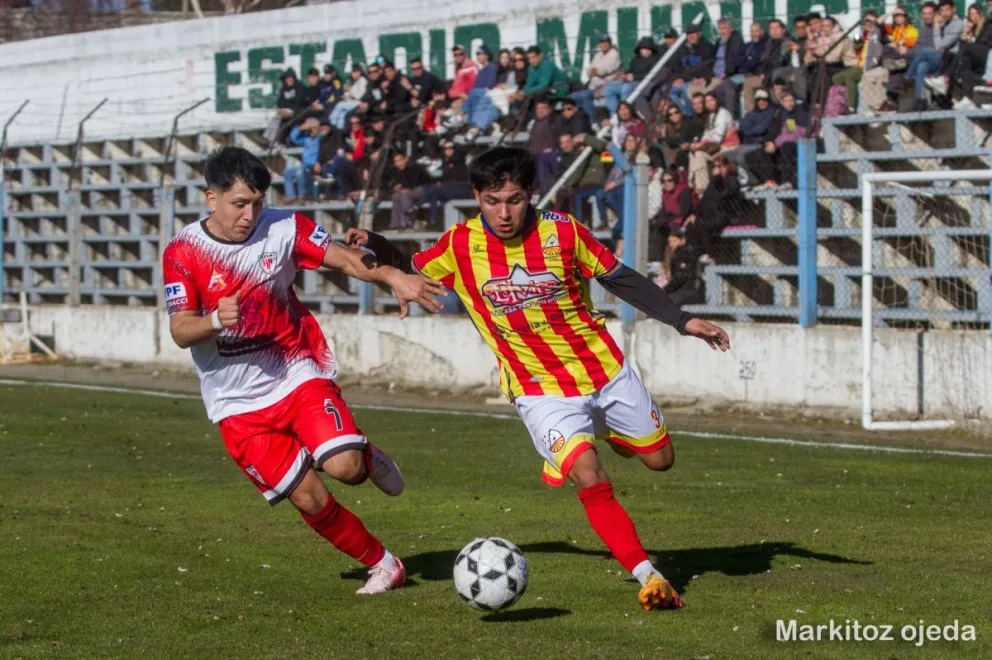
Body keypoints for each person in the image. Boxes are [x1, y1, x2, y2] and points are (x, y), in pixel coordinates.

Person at [345, 146, 730, 611]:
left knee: (661, 460)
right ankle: (646, 573)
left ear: (530, 192)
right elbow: (410, 268)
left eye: (513, 199)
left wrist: (681, 320)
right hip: (538, 389)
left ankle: (612, 431)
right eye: (491, 201)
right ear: (476, 197)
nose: (503, 213)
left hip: (603, 372)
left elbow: (620, 277)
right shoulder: (460, 244)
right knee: (588, 474)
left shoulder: (563, 232)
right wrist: (375, 244)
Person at [161, 147, 445, 596]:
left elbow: (346, 259)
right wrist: (216, 319)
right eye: (239, 204)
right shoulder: (183, 251)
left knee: (346, 468)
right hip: (236, 403)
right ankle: (383, 564)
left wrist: (393, 276)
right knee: (309, 496)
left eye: (256, 203)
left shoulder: (285, 227)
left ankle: (363, 452)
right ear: (210, 199)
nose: (249, 214)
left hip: (296, 371)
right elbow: (180, 330)